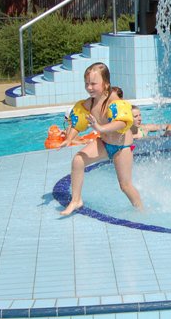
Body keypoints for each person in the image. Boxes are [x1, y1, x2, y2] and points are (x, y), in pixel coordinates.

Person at [59, 62, 143, 215]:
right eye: (86, 83)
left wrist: (100, 128)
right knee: (78, 160)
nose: (89, 87)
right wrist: (69, 138)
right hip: (104, 143)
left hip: (122, 147)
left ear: (105, 84)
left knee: (125, 185)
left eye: (93, 84)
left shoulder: (114, 100)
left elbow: (122, 122)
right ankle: (76, 200)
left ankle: (142, 210)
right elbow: (78, 122)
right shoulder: (88, 104)